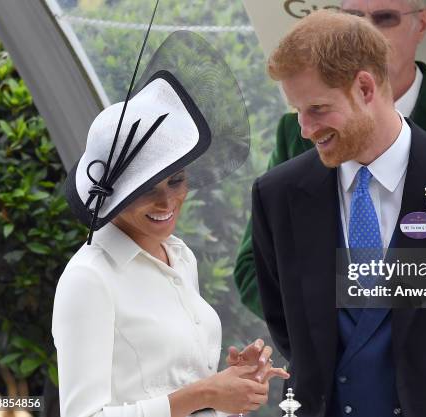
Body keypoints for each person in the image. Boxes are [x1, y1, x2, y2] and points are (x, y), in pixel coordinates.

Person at [234, 0, 426, 415]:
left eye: (318, 110)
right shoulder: (278, 193)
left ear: (365, 89)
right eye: (298, 112)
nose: (306, 130)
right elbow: (285, 313)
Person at [53, 31, 288, 417]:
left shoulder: (179, 256)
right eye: (145, 189)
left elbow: (172, 390)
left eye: (176, 180)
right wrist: (205, 393)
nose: (167, 201)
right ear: (113, 196)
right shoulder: (89, 279)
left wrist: (231, 383)